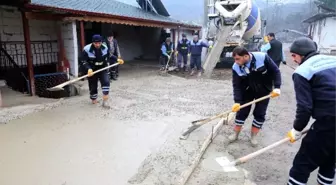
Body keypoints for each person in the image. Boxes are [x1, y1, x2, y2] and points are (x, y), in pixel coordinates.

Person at [286, 37, 336, 185]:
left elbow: (304, 107)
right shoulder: (333, 60)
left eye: (294, 55)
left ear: (301, 54)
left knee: (301, 166)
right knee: (329, 160)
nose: (293, 60)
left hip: (328, 124)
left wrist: (297, 128)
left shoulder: (302, 71)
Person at [229, 46, 281, 146]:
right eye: (234, 59)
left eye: (237, 59)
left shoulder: (262, 57)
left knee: (260, 113)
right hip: (248, 90)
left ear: (245, 56)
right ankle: (235, 134)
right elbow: (237, 85)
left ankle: (253, 136)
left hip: (264, 90)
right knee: (242, 112)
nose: (235, 61)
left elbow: (276, 71)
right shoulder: (236, 67)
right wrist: (237, 101)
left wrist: (277, 87)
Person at [80, 34, 124, 108]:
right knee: (93, 86)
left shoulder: (104, 47)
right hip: (92, 70)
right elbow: (83, 61)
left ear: (101, 42)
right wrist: (88, 68)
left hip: (102, 68)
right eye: (96, 43)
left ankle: (105, 102)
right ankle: (94, 99)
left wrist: (117, 59)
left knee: (106, 82)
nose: (97, 45)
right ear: (93, 42)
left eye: (99, 43)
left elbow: (109, 55)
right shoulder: (87, 49)